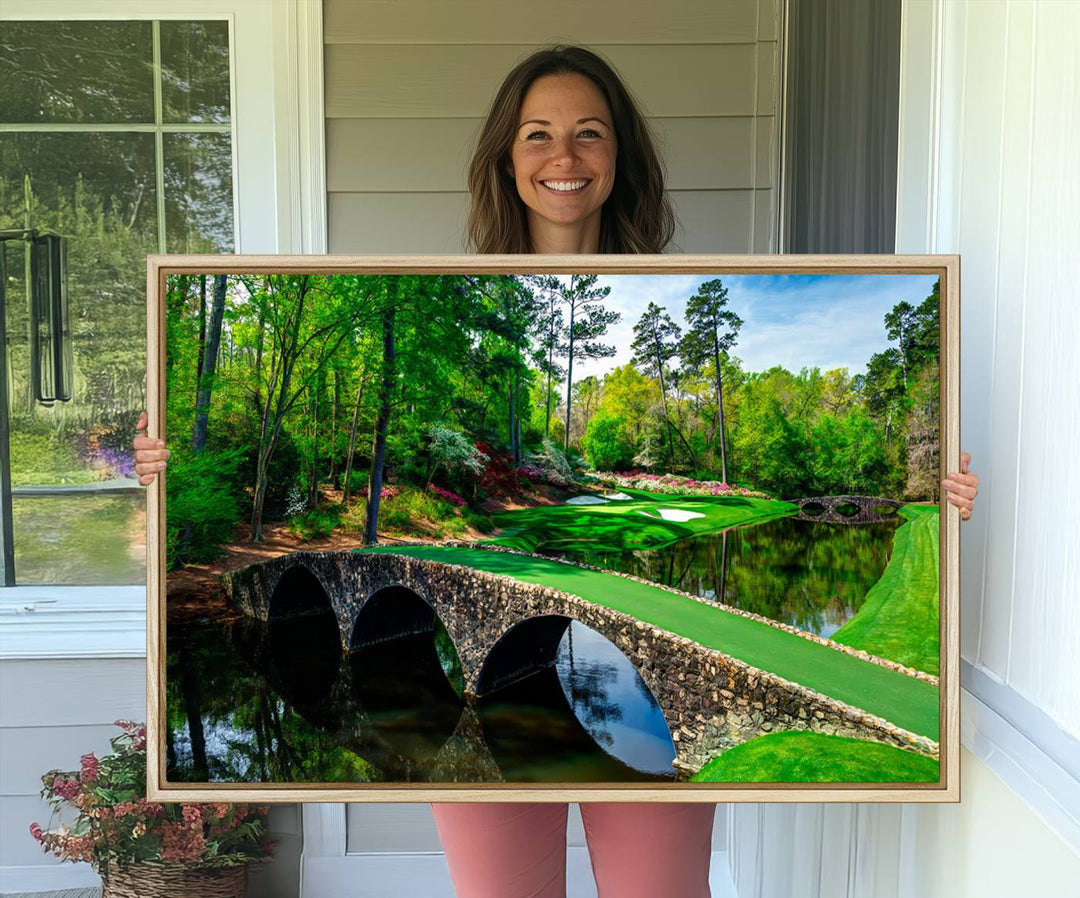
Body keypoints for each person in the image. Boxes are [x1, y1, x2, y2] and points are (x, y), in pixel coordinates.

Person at [134, 45, 979, 898]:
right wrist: (161, 467)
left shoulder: (681, 285)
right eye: (538, 135)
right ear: (507, 157)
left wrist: (937, 503)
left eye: (589, 134)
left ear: (620, 158)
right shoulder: (456, 298)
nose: (564, 157)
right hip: (492, 712)